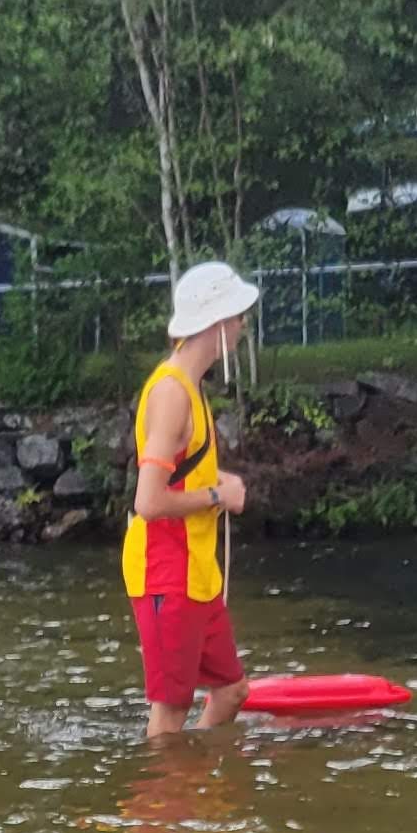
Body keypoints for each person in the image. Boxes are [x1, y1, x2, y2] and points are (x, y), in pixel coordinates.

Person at [124, 261, 261, 738]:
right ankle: (160, 805)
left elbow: (182, 468)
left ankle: (193, 786)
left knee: (231, 692)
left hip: (196, 571)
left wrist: (216, 482)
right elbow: (148, 501)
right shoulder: (171, 393)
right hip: (165, 573)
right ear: (216, 323)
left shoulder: (191, 387)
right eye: (238, 315)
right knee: (171, 710)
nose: (243, 324)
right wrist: (215, 494)